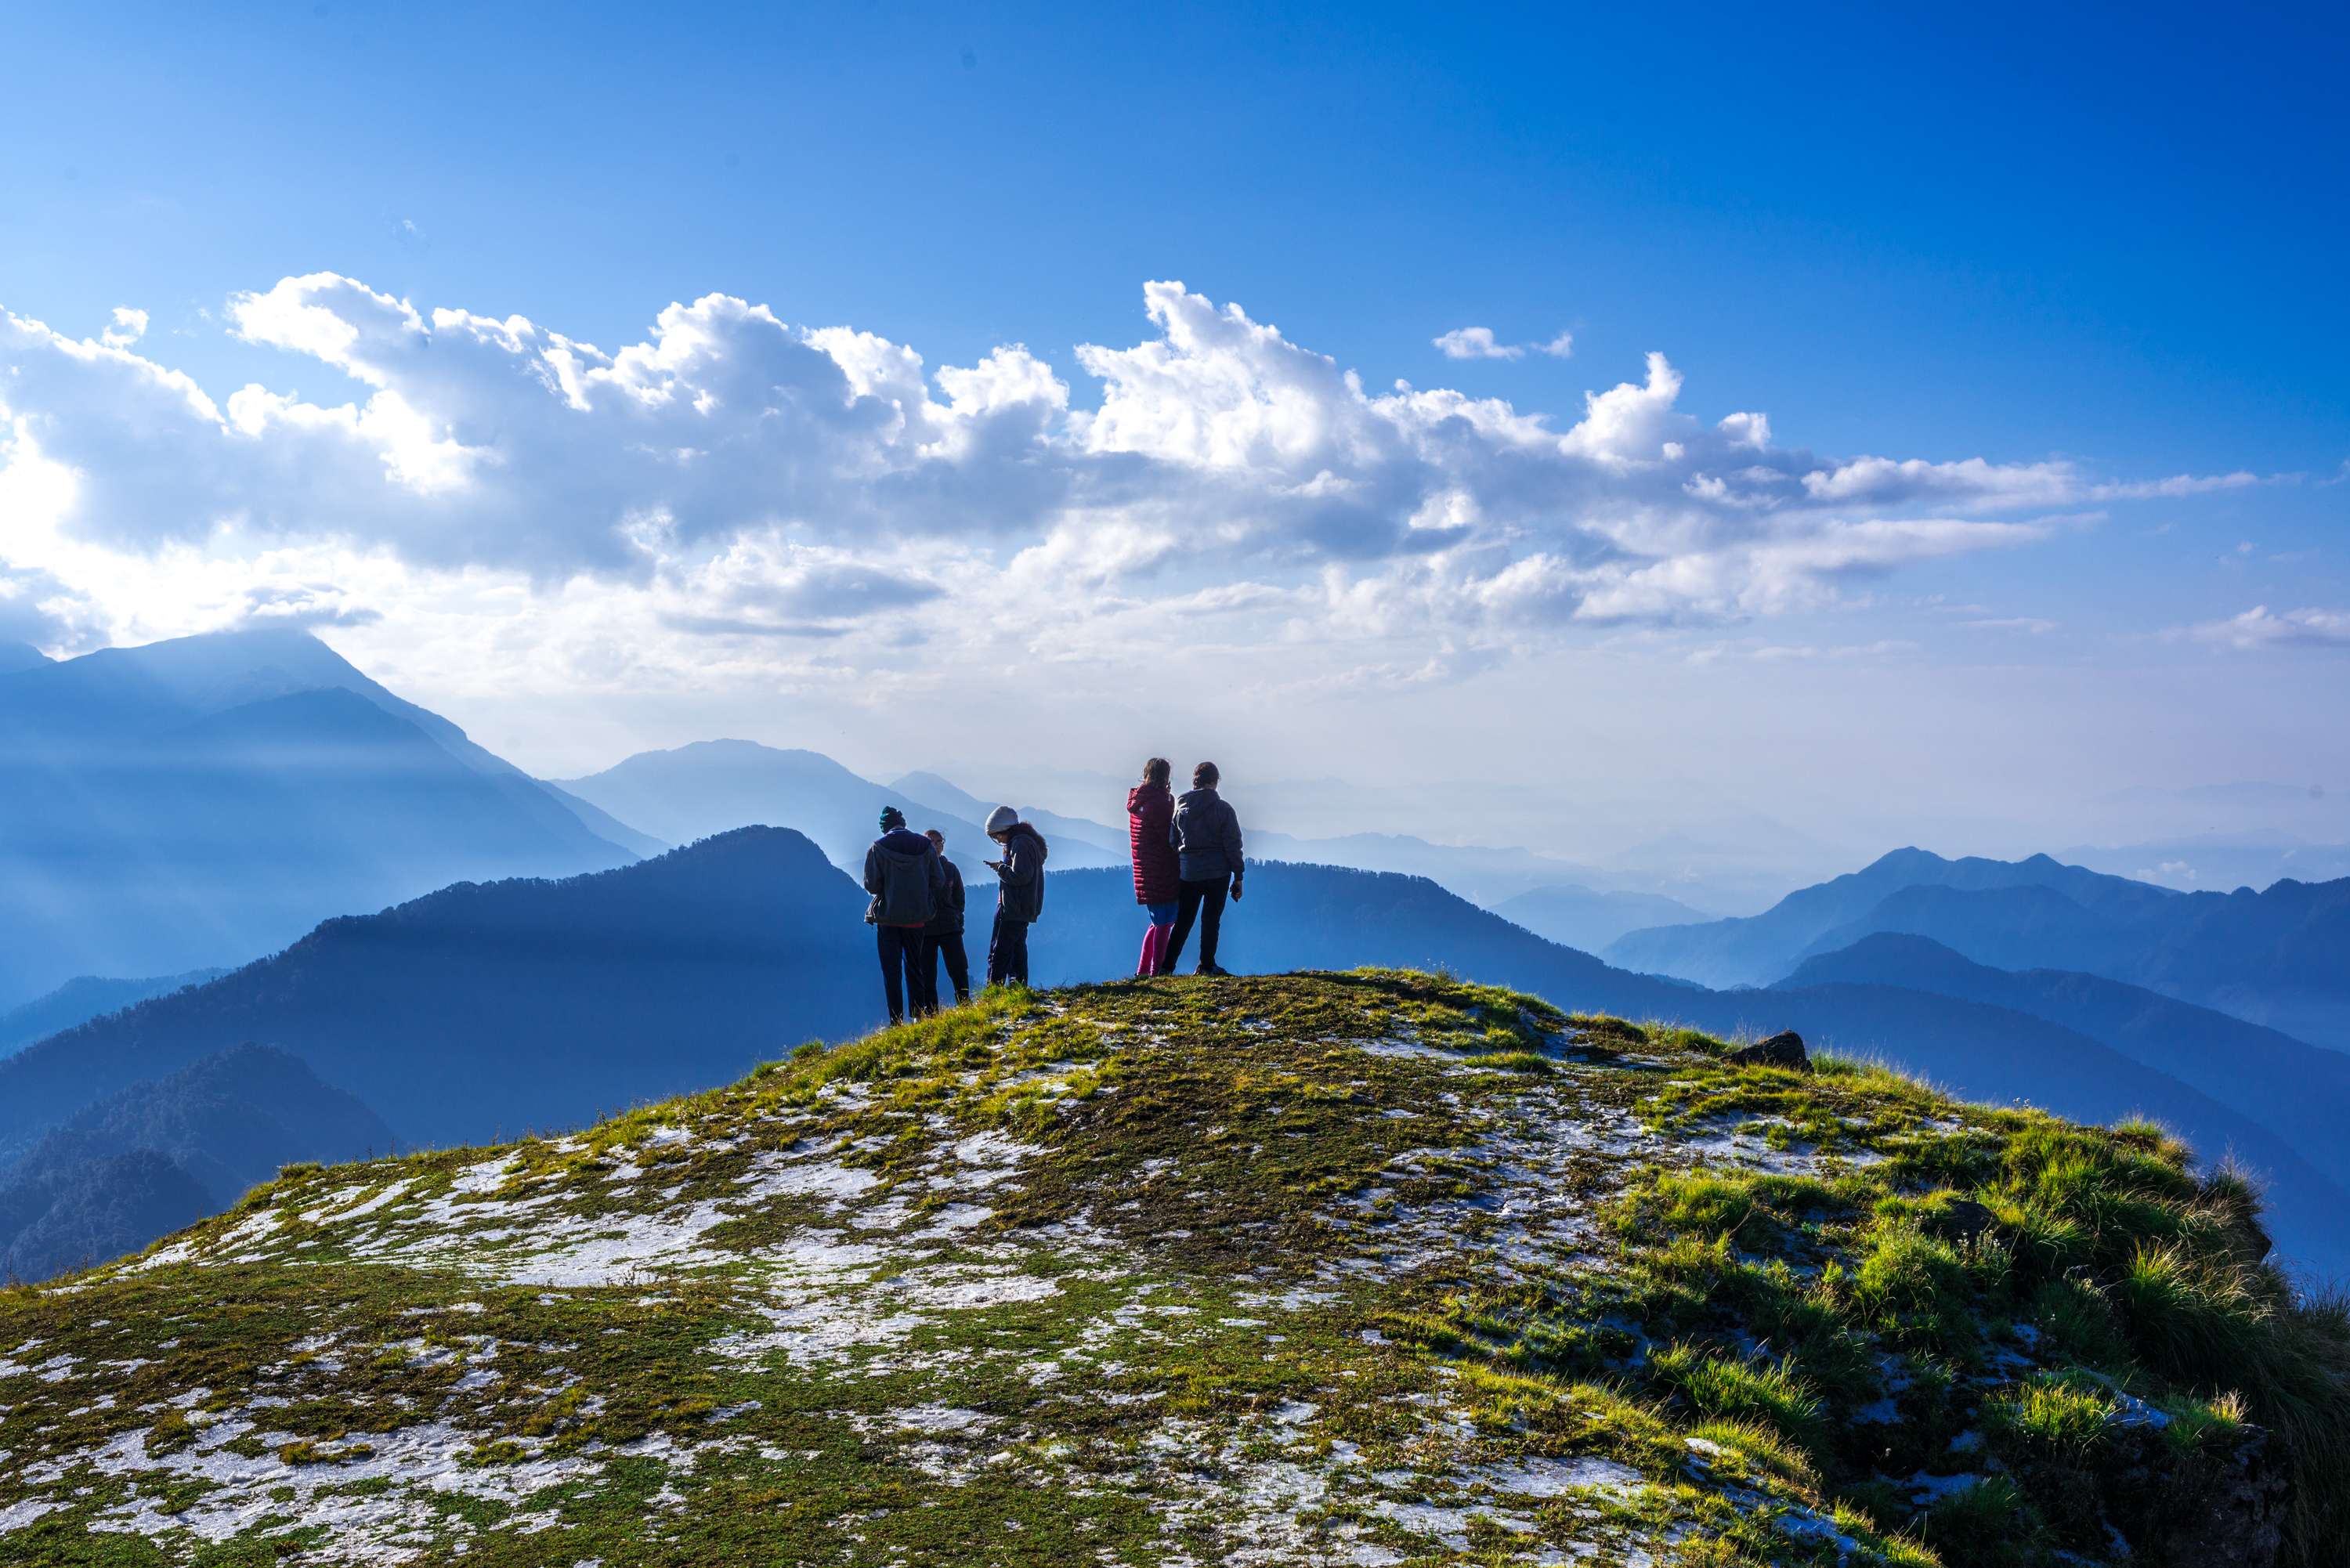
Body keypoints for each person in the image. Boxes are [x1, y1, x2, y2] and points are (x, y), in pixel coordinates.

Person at [862, 804, 945, 1023]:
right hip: (917, 918)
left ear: (885, 827)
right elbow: (939, 879)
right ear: (903, 823)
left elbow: (872, 885)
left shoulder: (878, 848)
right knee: (915, 967)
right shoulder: (925, 845)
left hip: (888, 919)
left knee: (891, 971)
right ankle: (918, 1015)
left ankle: (896, 1021)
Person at [1161, 761, 1244, 976]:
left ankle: (1166, 967)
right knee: (1211, 920)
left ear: (1195, 782)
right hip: (1218, 873)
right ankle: (1207, 965)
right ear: (1215, 782)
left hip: (1189, 873)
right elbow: (1233, 844)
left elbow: (1173, 840)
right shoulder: (1223, 809)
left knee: (1184, 921)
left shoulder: (1181, 808)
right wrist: (1238, 876)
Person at [982, 805, 1048, 988]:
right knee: (1017, 948)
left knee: (1001, 949)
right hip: (1021, 907)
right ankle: (1018, 986)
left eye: (997, 836)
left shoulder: (1020, 844)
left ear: (1005, 831)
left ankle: (994, 988)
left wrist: (1000, 868)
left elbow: (1020, 875)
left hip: (1014, 907)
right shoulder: (1025, 842)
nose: (998, 840)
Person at [1127, 757, 1180, 977]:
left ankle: (1143, 971)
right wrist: (1170, 802)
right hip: (1161, 868)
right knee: (1165, 922)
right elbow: (1169, 836)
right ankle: (1156, 971)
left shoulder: (1140, 800)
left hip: (1147, 869)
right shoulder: (1159, 803)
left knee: (1157, 921)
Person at [920, 827, 971, 1008]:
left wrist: (958, 917)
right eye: (930, 842)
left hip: (950, 927)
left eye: (938, 841)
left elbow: (960, 897)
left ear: (943, 845)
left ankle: (964, 1004)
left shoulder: (951, 869)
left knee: (958, 968)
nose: (935, 845)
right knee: (927, 973)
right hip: (926, 928)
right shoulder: (919, 869)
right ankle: (931, 1012)